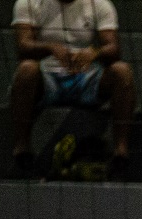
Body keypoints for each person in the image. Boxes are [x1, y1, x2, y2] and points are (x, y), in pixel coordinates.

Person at [10, 0, 135, 179]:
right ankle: (22, 149)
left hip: (86, 78)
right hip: (47, 77)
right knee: (26, 69)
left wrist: (94, 52)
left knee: (122, 71)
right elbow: (23, 47)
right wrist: (51, 48)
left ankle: (120, 153)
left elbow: (114, 48)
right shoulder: (29, 3)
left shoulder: (99, 4)